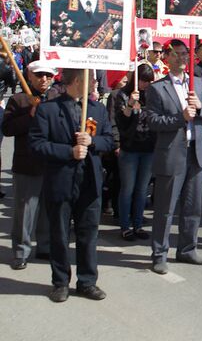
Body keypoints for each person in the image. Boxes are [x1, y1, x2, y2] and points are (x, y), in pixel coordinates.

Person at [29, 68, 114, 302]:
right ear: (79, 80)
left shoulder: (97, 109)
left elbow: (109, 139)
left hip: (89, 181)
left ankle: (87, 281)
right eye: (93, 80)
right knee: (59, 233)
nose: (97, 83)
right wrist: (69, 151)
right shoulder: (49, 110)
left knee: (88, 234)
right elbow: (37, 144)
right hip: (60, 181)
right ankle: (60, 282)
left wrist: (92, 141)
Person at [145, 39, 202, 275]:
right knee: (165, 208)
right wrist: (180, 117)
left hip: (197, 152)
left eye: (185, 54)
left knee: (193, 205)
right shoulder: (157, 88)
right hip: (172, 153)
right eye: (177, 54)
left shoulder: (197, 83)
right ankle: (159, 254)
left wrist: (200, 108)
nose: (182, 58)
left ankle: (187, 249)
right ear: (166, 57)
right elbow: (153, 122)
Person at [4, 60, 57, 271]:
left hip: (51, 163)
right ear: (30, 76)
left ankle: (44, 246)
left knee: (47, 209)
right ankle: (20, 251)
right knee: (25, 211)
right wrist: (30, 116)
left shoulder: (56, 98)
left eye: (48, 76)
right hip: (27, 163)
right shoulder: (19, 99)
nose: (44, 79)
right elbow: (7, 128)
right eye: (39, 75)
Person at [113, 64, 155, 241]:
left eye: (148, 81)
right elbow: (121, 121)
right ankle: (125, 226)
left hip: (148, 148)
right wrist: (129, 105)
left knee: (141, 189)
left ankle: (138, 224)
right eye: (143, 80)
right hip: (130, 148)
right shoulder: (122, 95)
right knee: (128, 189)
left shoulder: (151, 95)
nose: (146, 84)